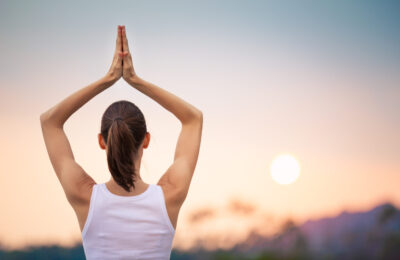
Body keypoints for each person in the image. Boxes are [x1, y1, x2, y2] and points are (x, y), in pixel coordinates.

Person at [40, 25, 203, 259]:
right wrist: (135, 80)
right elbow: (193, 119)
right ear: (146, 140)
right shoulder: (171, 194)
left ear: (101, 141)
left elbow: (49, 121)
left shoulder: (84, 196)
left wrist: (108, 79)